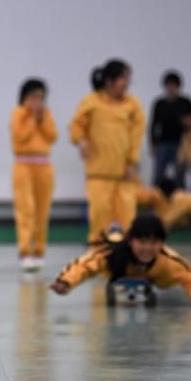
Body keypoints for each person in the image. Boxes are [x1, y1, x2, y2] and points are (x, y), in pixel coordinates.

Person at [50, 214, 191, 307]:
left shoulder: (168, 260)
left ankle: (117, 230)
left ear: (162, 244)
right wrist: (65, 282)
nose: (148, 248)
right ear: (131, 240)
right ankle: (115, 231)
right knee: (113, 239)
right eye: (142, 242)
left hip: (156, 277)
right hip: (119, 266)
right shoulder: (111, 254)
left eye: (154, 242)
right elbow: (84, 265)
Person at [70, 59, 146, 243]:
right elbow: (76, 126)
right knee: (99, 223)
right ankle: (97, 259)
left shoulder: (133, 105)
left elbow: (137, 136)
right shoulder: (91, 102)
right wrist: (81, 141)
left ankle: (129, 261)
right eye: (123, 78)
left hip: (124, 174)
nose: (127, 83)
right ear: (109, 80)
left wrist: (132, 162)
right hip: (99, 174)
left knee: (129, 223)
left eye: (128, 78)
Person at [11, 78, 57, 271]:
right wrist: (32, 119)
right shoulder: (19, 114)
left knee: (42, 209)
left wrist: (42, 118)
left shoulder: (46, 114)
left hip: (44, 166)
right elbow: (20, 137)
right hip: (23, 165)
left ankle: (39, 250)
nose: (38, 102)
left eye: (41, 97)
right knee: (26, 209)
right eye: (33, 97)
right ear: (24, 98)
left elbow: (52, 136)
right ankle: (25, 251)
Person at [148, 71, 191, 186]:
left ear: (179, 86)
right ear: (165, 86)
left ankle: (180, 201)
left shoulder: (185, 102)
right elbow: (153, 125)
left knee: (179, 176)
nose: (171, 88)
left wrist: (188, 121)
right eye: (168, 85)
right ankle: (155, 200)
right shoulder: (159, 103)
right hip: (162, 143)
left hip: (181, 144)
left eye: (174, 85)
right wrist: (152, 143)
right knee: (158, 175)